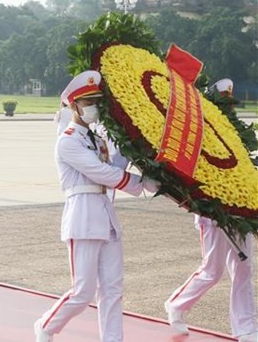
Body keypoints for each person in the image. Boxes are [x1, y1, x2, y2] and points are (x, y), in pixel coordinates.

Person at [34, 70, 160, 342]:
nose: (94, 107)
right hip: (83, 217)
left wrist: (133, 148)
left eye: (96, 102)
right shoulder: (67, 141)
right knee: (82, 292)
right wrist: (141, 184)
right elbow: (100, 172)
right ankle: (46, 326)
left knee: (113, 288)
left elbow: (113, 167)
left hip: (105, 214)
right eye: (88, 102)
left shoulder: (97, 139)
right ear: (74, 105)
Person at [164, 79, 257, 342]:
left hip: (239, 211)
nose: (229, 111)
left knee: (243, 269)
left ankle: (245, 328)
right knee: (212, 270)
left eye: (230, 105)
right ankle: (177, 304)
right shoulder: (200, 134)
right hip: (213, 213)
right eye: (223, 105)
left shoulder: (237, 135)